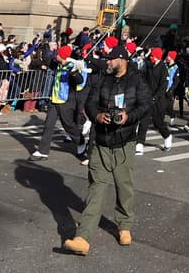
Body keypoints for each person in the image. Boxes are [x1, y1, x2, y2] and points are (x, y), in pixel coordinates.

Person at [62, 42, 151, 256]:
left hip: (124, 143)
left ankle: (124, 226)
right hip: (101, 142)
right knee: (96, 189)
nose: (108, 62)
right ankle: (83, 237)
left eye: (111, 59)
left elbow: (146, 104)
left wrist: (129, 117)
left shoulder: (137, 79)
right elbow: (90, 103)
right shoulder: (102, 78)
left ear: (122, 59)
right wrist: (97, 116)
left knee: (124, 187)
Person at [31, 45, 86, 161]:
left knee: (68, 126)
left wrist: (74, 72)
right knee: (48, 125)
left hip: (66, 101)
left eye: (58, 54)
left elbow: (79, 81)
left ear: (63, 56)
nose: (56, 56)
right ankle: (42, 151)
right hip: (54, 100)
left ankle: (81, 142)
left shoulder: (72, 67)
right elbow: (48, 59)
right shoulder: (58, 64)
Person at [135, 47, 173, 154]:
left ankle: (167, 136)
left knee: (158, 123)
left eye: (153, 56)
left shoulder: (163, 68)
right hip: (147, 98)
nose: (151, 58)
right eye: (151, 56)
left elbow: (163, 85)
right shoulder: (150, 66)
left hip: (158, 101)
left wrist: (155, 97)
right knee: (143, 121)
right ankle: (139, 144)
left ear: (158, 57)